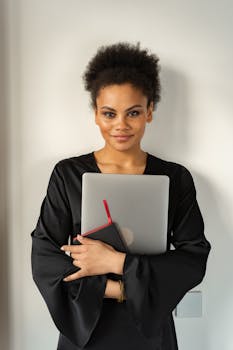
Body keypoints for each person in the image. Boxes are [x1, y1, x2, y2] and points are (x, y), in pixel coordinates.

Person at [31, 42, 211, 350]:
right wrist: (119, 289)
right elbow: (44, 255)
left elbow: (193, 257)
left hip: (150, 331)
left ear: (150, 111)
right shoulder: (67, 175)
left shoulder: (175, 178)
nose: (121, 125)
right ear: (96, 114)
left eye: (134, 113)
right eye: (109, 113)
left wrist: (117, 261)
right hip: (85, 327)